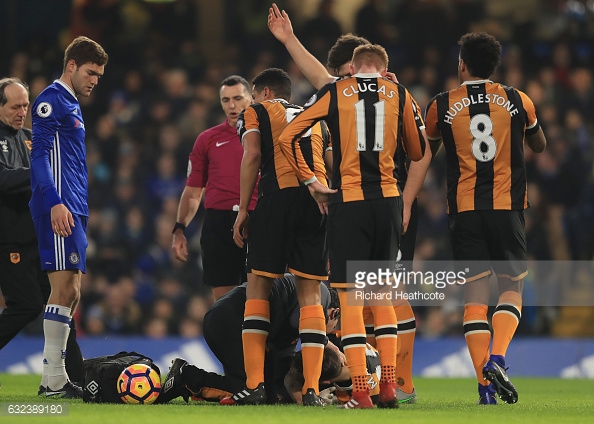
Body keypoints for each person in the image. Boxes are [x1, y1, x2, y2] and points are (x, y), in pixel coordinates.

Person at [268, 3, 429, 403]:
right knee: (384, 296)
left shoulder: (338, 91)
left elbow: (289, 137)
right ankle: (391, 383)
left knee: (352, 299)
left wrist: (312, 182)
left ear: (353, 69)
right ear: (384, 67)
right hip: (391, 202)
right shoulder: (401, 94)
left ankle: (361, 391)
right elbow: (419, 149)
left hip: (350, 202)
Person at [423, 32, 547, 405]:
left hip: (464, 211)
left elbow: (425, 151)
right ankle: (498, 358)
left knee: (475, 299)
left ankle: (484, 388)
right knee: (512, 289)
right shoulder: (517, 100)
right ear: (496, 65)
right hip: (507, 208)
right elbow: (539, 144)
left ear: (462, 64)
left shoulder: (441, 104)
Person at [228, 68, 330, 406]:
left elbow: (253, 154)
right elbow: (329, 161)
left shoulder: (256, 111)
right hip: (318, 201)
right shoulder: (318, 118)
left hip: (278, 196)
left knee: (258, 285)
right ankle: (313, 388)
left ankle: (256, 385)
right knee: (310, 294)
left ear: (264, 92)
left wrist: (244, 209)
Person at [29, 36, 108, 398]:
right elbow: (40, 156)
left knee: (72, 290)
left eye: (99, 75)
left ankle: (56, 379)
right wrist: (54, 202)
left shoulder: (72, 103)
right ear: (72, 65)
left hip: (74, 207)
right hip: (59, 207)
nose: (95, 80)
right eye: (91, 72)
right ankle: (53, 382)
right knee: (63, 289)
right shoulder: (51, 101)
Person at [0, 78, 84, 389]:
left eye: (26, 105)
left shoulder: (31, 138)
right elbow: (4, 181)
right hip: (9, 240)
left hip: (40, 237)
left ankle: (73, 375)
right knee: (25, 305)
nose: (23, 111)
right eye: (15, 106)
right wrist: (40, 170)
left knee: (61, 301)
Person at [157, 275, 341, 404]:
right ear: (334, 313)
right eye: (333, 328)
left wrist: (301, 395)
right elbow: (299, 321)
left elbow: (282, 374)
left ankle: (191, 379)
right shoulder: (319, 292)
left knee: (268, 394)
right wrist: (324, 340)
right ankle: (186, 377)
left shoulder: (291, 318)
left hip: (227, 318)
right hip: (229, 320)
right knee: (253, 390)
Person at [171, 75, 257, 301]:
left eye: (238, 98)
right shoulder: (207, 139)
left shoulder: (266, 135)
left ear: (251, 98)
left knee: (261, 297)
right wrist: (180, 228)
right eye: (226, 100)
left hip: (258, 219)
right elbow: (193, 190)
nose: (232, 105)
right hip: (218, 223)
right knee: (225, 302)